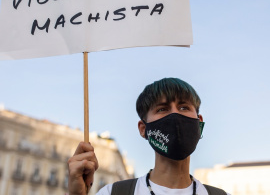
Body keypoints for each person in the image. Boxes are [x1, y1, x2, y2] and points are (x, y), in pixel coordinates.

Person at [68, 78, 230, 195]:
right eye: (162, 109)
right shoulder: (113, 193)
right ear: (143, 128)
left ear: (199, 122)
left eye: (183, 107)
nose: (175, 115)